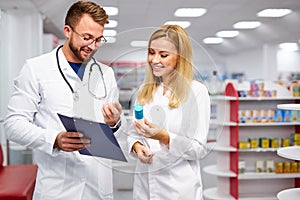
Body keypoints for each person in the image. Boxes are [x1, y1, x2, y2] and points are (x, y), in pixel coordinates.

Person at [4, 1, 124, 199]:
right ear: (68, 31)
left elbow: (117, 132)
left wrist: (115, 122)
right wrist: (55, 139)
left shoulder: (106, 74)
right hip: (58, 187)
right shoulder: (36, 69)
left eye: (98, 39)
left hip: (97, 186)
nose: (93, 46)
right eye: (86, 38)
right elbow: (13, 125)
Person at [127, 24, 211, 200]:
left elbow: (199, 148)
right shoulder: (144, 90)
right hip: (145, 187)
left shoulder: (196, 92)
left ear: (180, 58)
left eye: (163, 55)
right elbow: (133, 133)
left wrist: (164, 137)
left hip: (178, 189)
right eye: (151, 52)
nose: (154, 60)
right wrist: (137, 147)